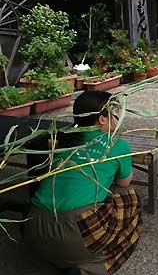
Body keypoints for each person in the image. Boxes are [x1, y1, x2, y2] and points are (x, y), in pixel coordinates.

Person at [25, 91, 141, 275]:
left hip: (34, 228)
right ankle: (90, 267)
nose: (120, 117)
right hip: (75, 234)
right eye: (118, 112)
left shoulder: (62, 139)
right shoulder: (116, 145)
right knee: (130, 198)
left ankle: (59, 259)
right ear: (102, 119)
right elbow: (124, 182)